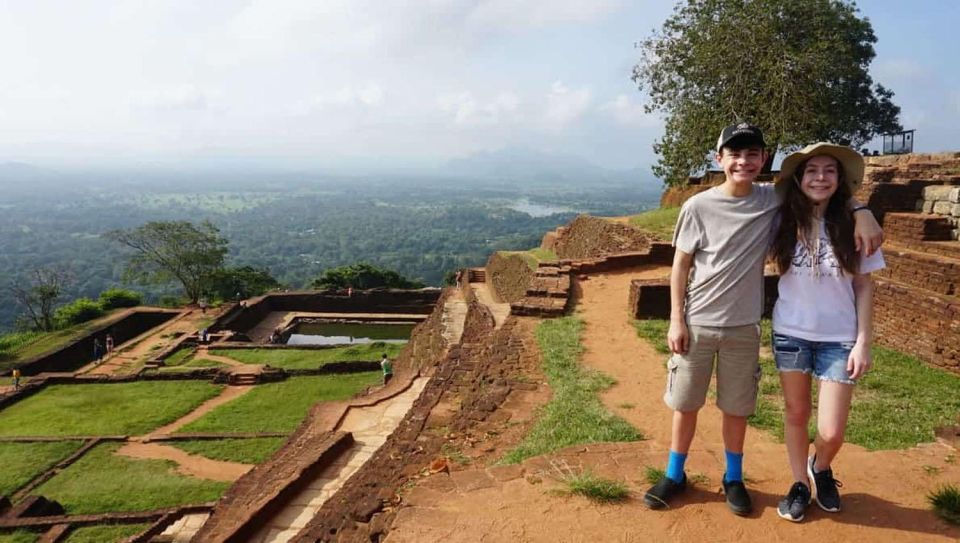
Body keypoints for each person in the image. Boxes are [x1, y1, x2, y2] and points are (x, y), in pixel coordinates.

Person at [643, 123, 883, 516]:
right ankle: (675, 473)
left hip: (744, 325)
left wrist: (862, 210)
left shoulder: (773, 199)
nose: (743, 161)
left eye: (752, 154)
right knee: (686, 404)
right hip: (699, 319)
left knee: (736, 407)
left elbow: (826, 189)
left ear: (764, 160)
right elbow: (680, 266)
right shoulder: (698, 206)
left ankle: (733, 477)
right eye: (734, 154)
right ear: (719, 158)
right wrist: (676, 319)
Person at [770, 143, 885, 522]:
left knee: (832, 431)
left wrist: (864, 341)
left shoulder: (854, 223)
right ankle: (800, 482)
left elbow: (864, 285)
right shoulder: (781, 220)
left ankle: (820, 465)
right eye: (812, 171)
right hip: (791, 332)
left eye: (829, 171)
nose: (820, 178)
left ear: (840, 179)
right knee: (796, 413)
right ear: (799, 179)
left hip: (839, 337)